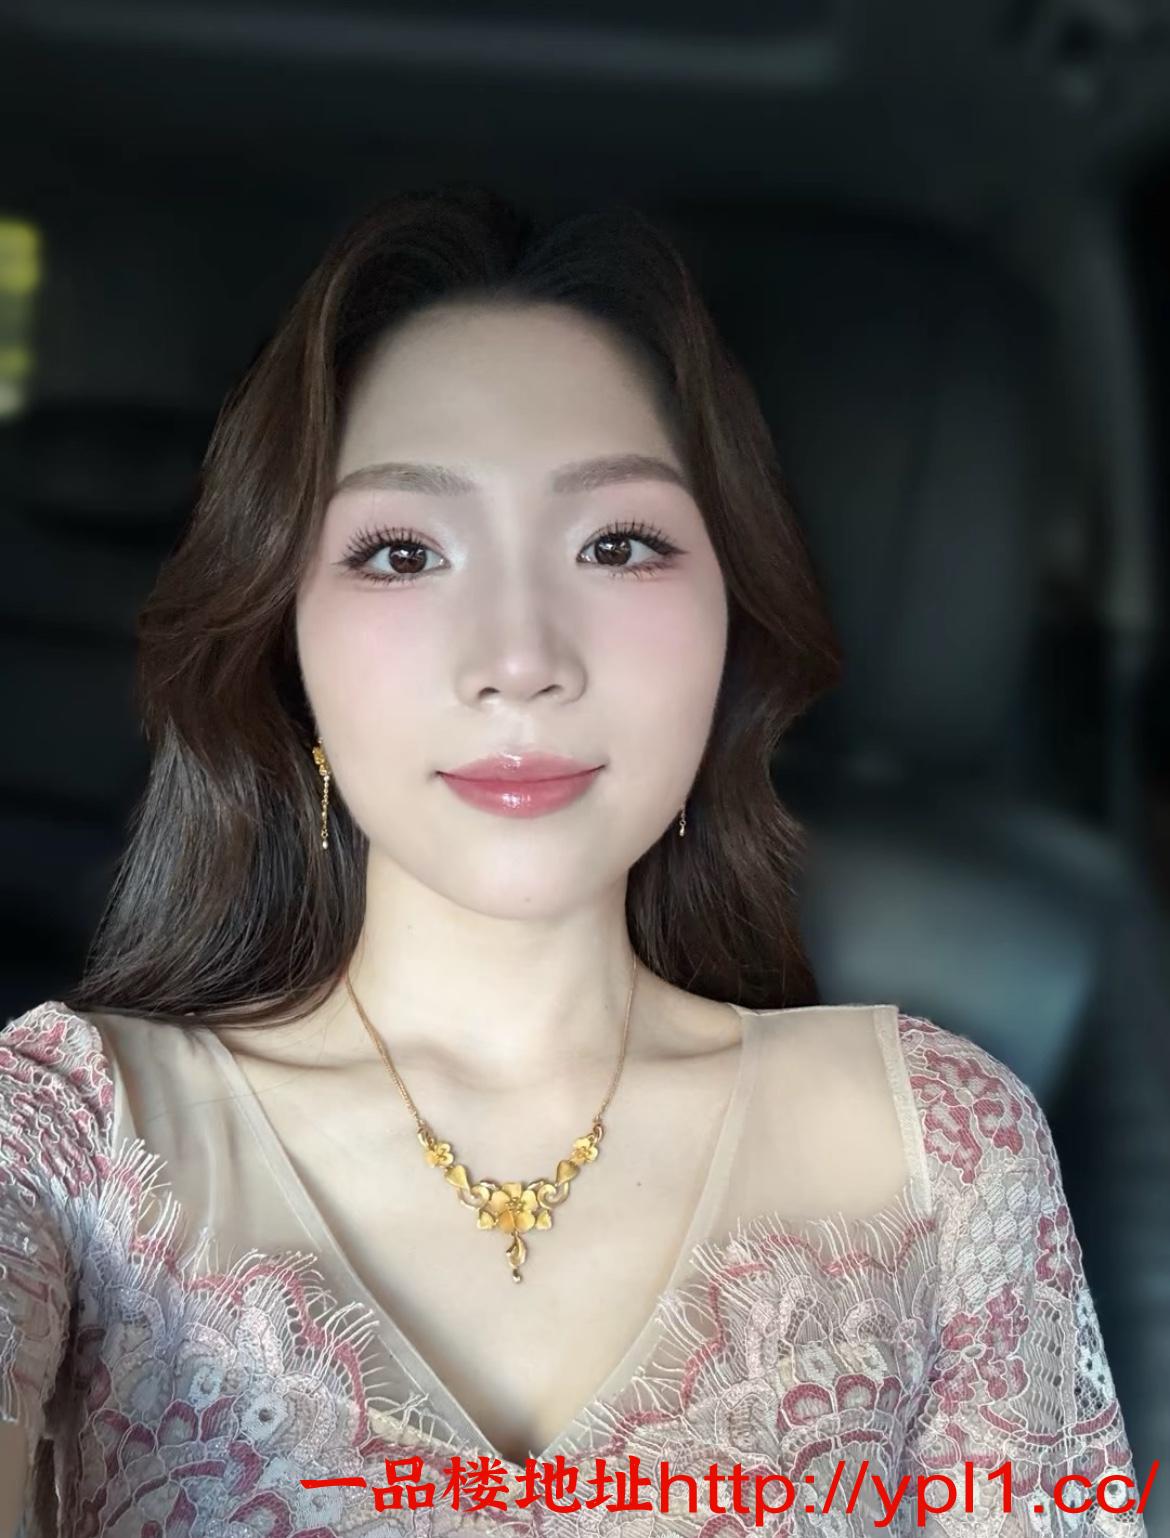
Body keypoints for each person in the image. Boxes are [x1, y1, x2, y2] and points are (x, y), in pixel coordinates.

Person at [0, 184, 1148, 1537]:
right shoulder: (68, 1138)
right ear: (284, 642)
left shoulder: (939, 1153)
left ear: (731, 614)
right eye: (401, 551)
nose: (519, 659)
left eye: (617, 543)